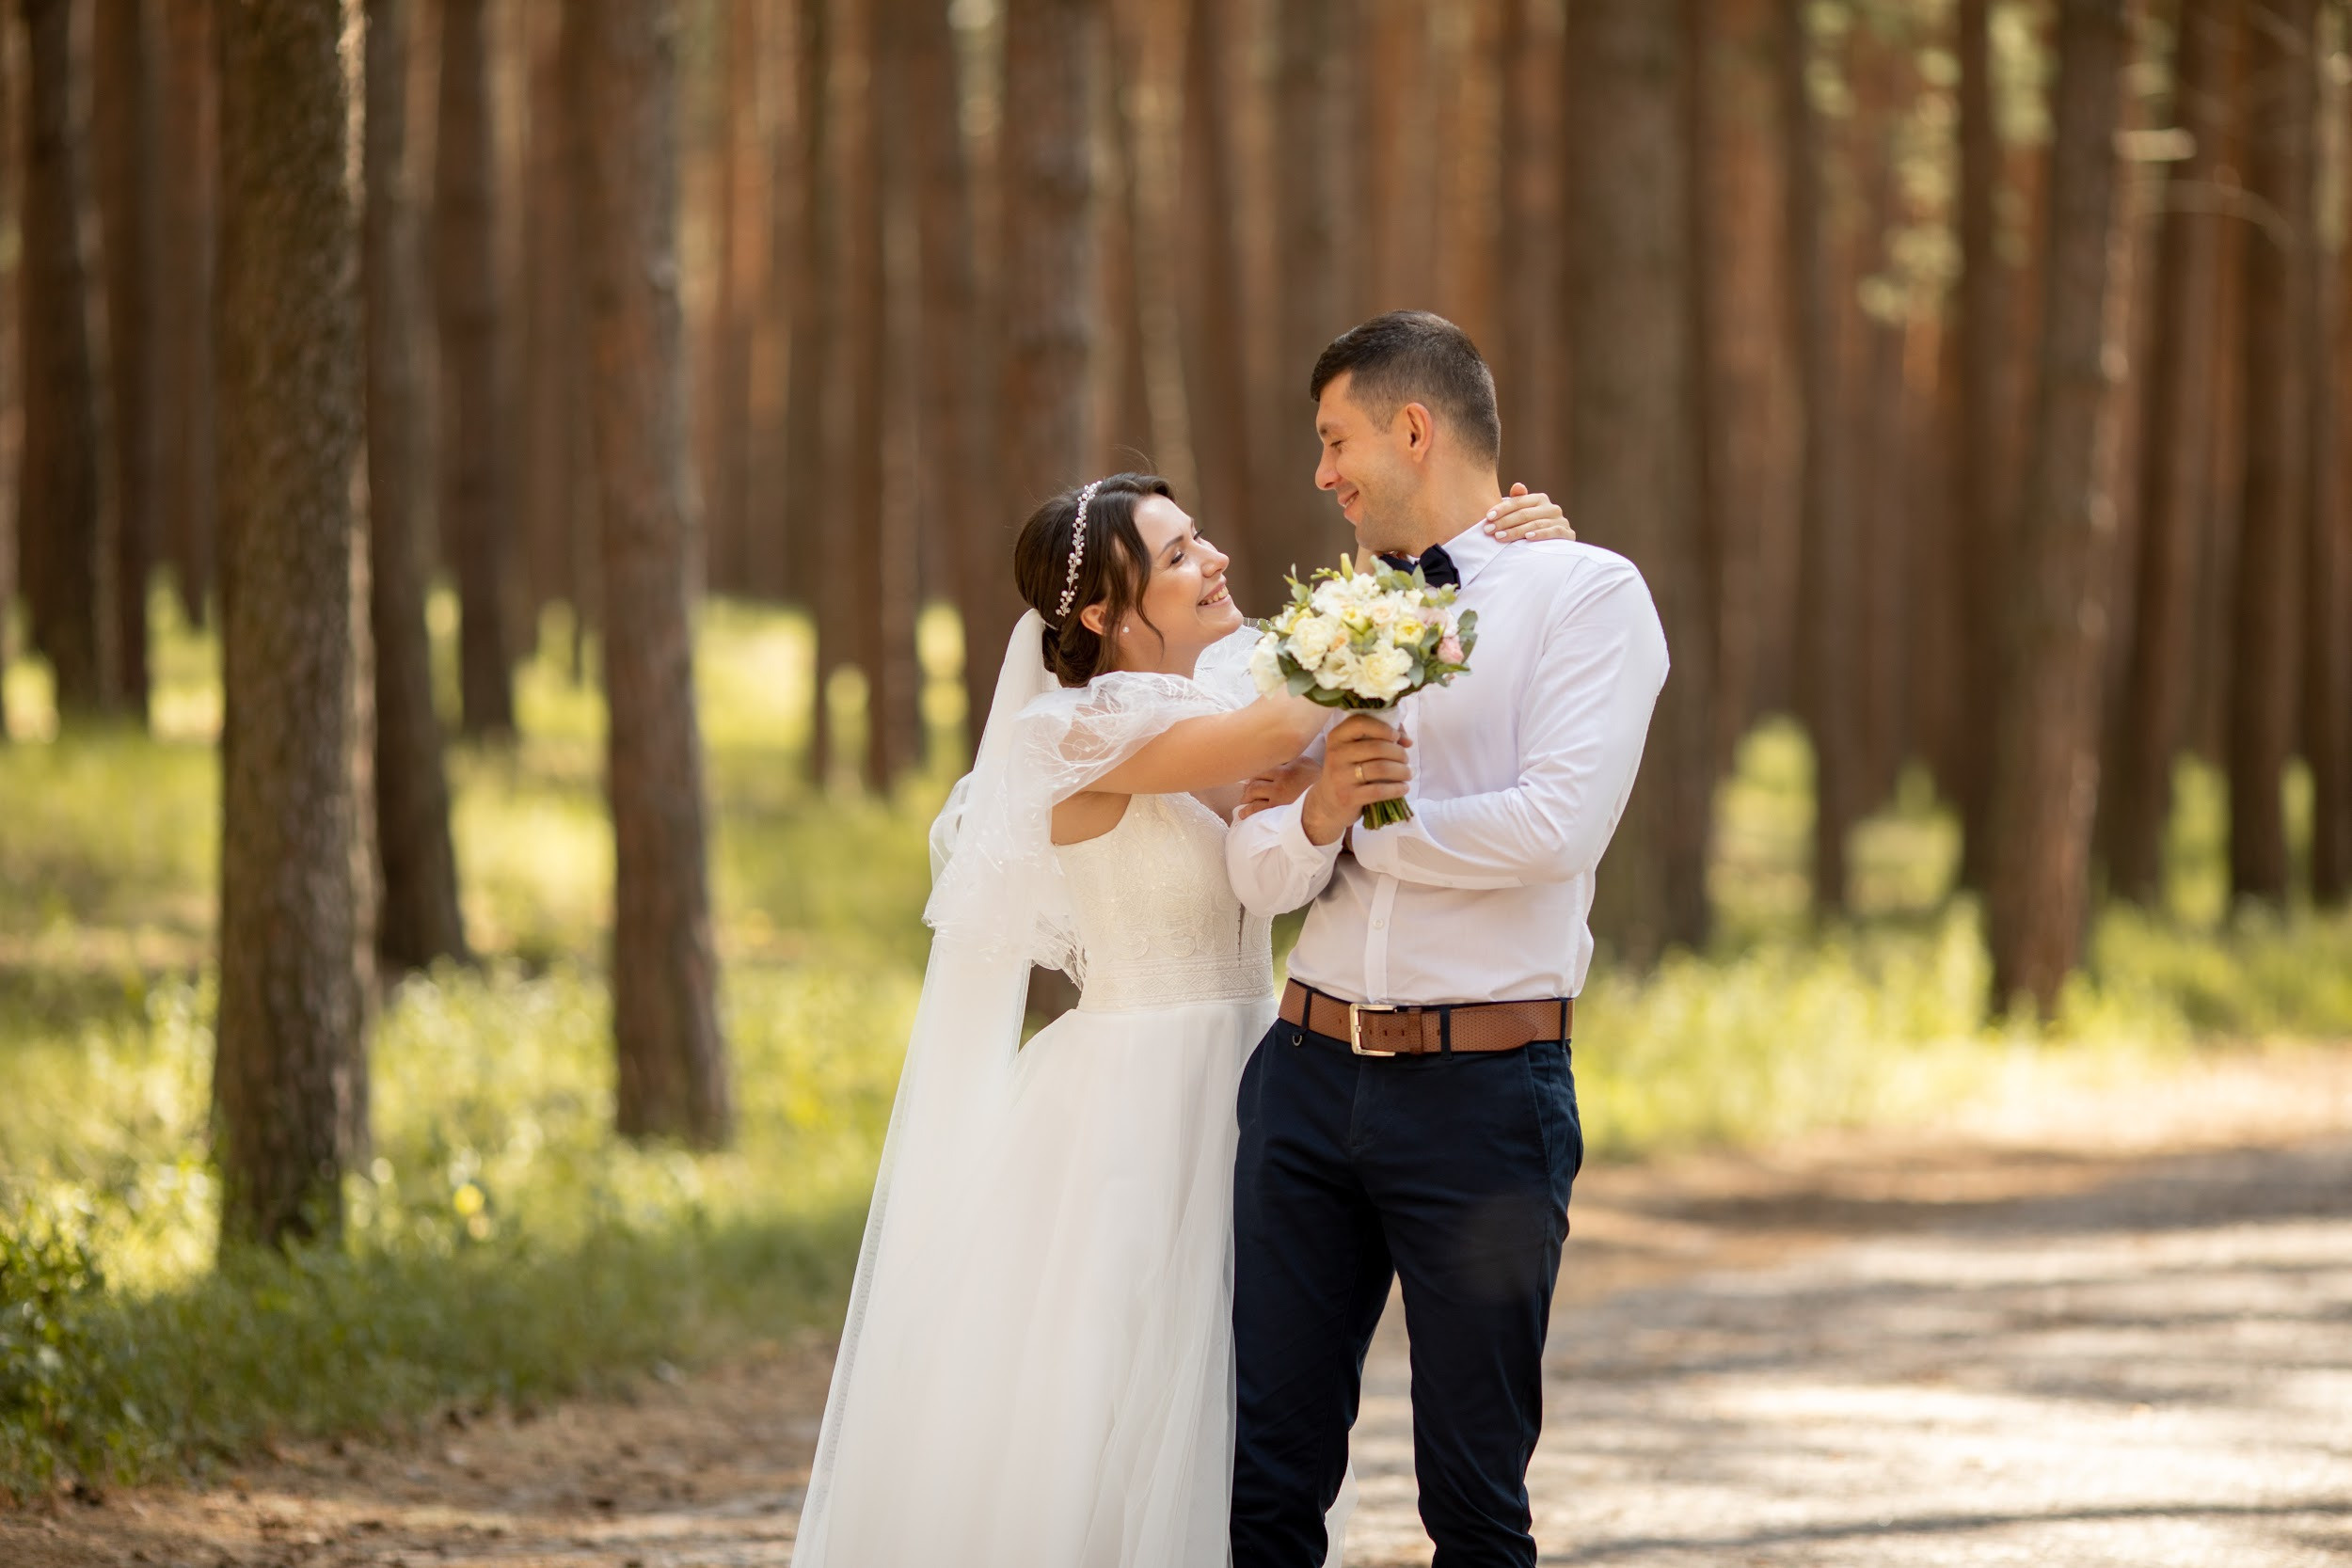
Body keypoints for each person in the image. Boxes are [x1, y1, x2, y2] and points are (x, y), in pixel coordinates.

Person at [790, 473, 1576, 1567]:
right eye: (1176, 555)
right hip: (1133, 1100)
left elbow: (1359, 710)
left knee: (1261, 1404)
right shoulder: (1069, 732)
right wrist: (1450, 565)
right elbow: (1297, 708)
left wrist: (1517, 556)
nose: (1213, 558)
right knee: (1118, 1394)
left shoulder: (1228, 685)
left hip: (1270, 1070)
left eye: (1199, 534)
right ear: (1104, 616)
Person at [1226, 312, 1670, 1568]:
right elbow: (1263, 854)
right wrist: (1312, 813)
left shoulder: (1586, 593)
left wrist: (1362, 827)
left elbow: (1553, 828)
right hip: (1304, 1084)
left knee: (1473, 1501)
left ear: (1412, 428)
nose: (1322, 473)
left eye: (1335, 438)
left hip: (1480, 1097)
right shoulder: (1324, 616)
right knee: (1260, 1481)